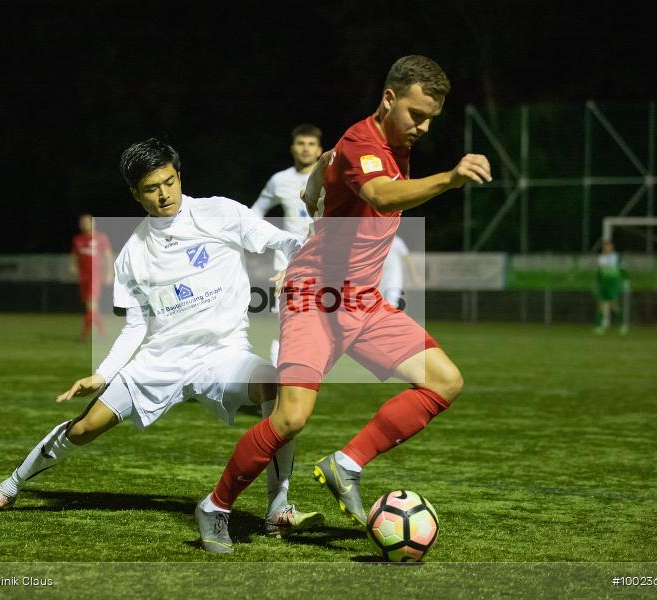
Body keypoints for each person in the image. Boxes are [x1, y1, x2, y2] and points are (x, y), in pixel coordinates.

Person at [194, 55, 492, 552]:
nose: (422, 126)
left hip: (363, 302)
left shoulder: (381, 144)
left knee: (445, 380)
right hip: (316, 295)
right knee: (290, 418)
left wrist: (317, 184)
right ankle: (216, 506)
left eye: (431, 119)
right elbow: (380, 194)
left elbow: (331, 165)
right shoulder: (364, 142)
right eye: (415, 114)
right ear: (389, 98)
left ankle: (345, 465)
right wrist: (450, 179)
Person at [0, 139, 323, 543]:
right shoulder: (132, 252)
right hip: (159, 360)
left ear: (179, 175)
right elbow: (136, 325)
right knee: (84, 430)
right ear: (135, 192)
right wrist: (102, 374)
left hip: (223, 354)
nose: (164, 193)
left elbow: (288, 242)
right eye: (152, 188)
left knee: (276, 387)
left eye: (169, 181)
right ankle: (9, 487)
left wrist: (298, 267)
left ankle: (278, 510)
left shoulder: (220, 212)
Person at [251, 124, 322, 365]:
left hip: (322, 261)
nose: (305, 149)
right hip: (287, 262)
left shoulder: (329, 178)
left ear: (319, 149)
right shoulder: (280, 180)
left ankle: (301, 377)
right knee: (283, 323)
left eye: (311, 144)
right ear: (293, 148)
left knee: (317, 325)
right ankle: (277, 381)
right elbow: (255, 213)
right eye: (301, 143)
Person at [71, 213, 114, 341]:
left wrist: (109, 273)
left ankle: (84, 336)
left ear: (93, 223)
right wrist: (73, 266)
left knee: (91, 305)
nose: (84, 224)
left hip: (96, 276)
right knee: (91, 307)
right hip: (83, 277)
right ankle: (102, 335)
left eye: (86, 222)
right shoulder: (77, 239)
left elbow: (108, 256)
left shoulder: (101, 238)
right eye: (82, 222)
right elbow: (75, 256)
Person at [594, 240, 629, 335]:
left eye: (608, 246)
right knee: (600, 304)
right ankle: (599, 326)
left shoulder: (616, 257)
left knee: (614, 305)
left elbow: (622, 269)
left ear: (612, 247)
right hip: (603, 284)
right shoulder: (600, 258)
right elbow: (599, 272)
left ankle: (622, 325)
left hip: (613, 283)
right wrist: (597, 283)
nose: (606, 248)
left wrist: (625, 280)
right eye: (605, 246)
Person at [379, 234, 422, 309]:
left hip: (393, 281)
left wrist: (414, 277)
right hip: (380, 281)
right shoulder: (376, 242)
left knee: (391, 304)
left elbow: (408, 259)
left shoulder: (397, 241)